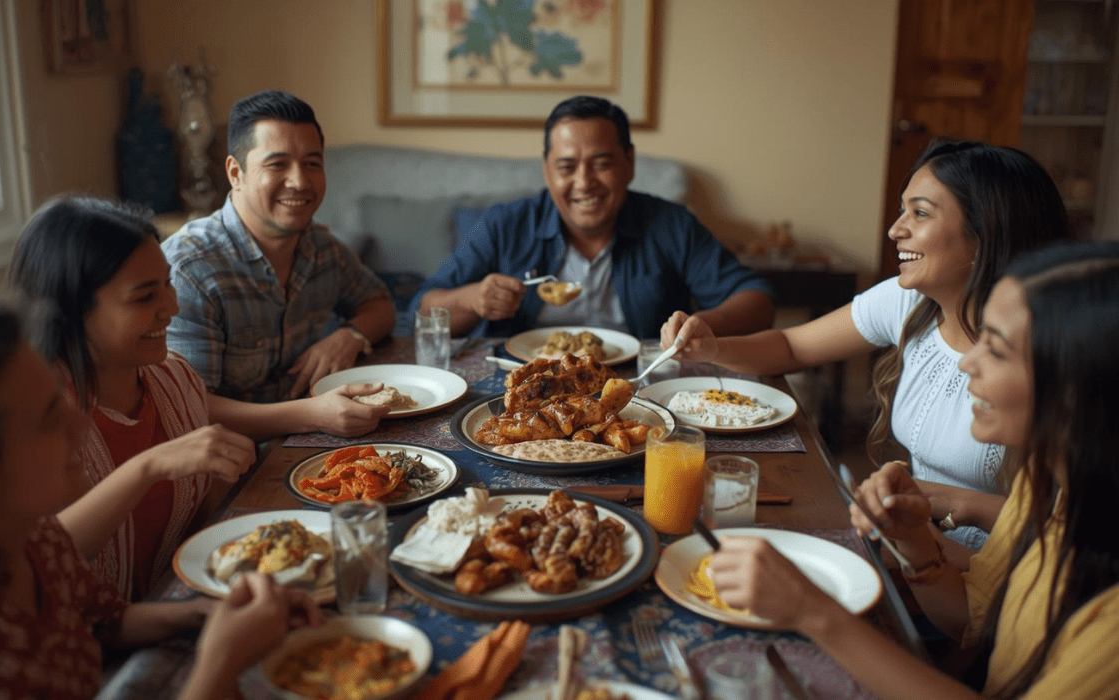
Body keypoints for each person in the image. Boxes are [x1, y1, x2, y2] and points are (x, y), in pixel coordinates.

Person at [705, 242, 1119, 699]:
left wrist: (814, 613)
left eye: (996, 350)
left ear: (1080, 390)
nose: (967, 362)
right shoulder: (1047, 487)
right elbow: (970, 620)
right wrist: (914, 538)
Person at [663, 140, 1075, 556]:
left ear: (987, 230)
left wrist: (958, 505)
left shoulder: (1056, 351)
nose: (896, 229)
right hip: (918, 545)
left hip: (1011, 570)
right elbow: (791, 345)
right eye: (902, 210)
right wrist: (711, 347)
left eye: (920, 213)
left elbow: (1082, 533)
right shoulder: (909, 301)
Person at [0, 299, 322, 700]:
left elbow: (106, 621)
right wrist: (221, 661)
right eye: (47, 417)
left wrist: (207, 614)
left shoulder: (35, 542)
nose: (80, 422)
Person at [7, 196, 389, 600]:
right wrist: (148, 467)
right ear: (68, 311)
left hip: (179, 605)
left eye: (168, 284)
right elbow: (36, 562)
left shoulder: (174, 380)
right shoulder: (31, 422)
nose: (171, 307)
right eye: (143, 297)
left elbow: (205, 524)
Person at [412, 95, 775, 339]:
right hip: (521, 390)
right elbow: (420, 311)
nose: (584, 183)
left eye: (601, 165)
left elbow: (757, 300)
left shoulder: (670, 224)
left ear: (629, 163)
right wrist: (473, 299)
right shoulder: (504, 223)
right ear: (547, 170)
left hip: (635, 386)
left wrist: (704, 323)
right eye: (567, 167)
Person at [162, 90, 396, 401]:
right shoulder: (190, 269)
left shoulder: (322, 247)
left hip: (309, 434)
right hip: (233, 446)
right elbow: (189, 409)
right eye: (277, 165)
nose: (299, 182)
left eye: (312, 163)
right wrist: (311, 415)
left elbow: (381, 306)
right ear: (235, 173)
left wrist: (350, 336)